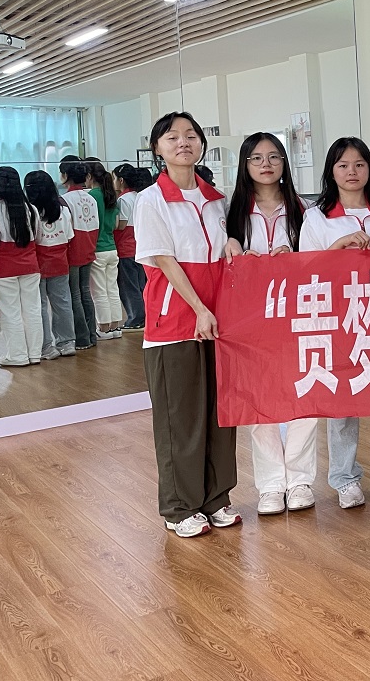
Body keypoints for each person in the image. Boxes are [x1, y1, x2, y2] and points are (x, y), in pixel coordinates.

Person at [133, 112, 239, 538]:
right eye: (172, 137)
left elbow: (223, 252)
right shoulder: (151, 200)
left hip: (219, 322)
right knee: (180, 418)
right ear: (157, 148)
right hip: (175, 323)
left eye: (191, 135)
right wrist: (198, 309)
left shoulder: (216, 199)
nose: (183, 142)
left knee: (219, 414)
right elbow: (164, 259)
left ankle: (215, 498)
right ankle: (179, 507)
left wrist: (234, 244)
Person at [299, 136, 370, 511]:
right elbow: (305, 271)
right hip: (338, 318)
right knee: (342, 398)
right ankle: (345, 478)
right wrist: (338, 246)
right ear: (331, 172)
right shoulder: (316, 217)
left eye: (359, 164)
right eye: (343, 165)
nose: (352, 172)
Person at [224, 132, 317, 516]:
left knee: (305, 395)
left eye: (274, 157)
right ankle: (271, 485)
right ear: (245, 165)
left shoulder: (304, 209)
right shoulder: (229, 212)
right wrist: (232, 249)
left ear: (284, 163)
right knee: (258, 401)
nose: (266, 164)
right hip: (250, 320)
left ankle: (300, 481)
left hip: (297, 316)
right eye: (257, 158)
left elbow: (317, 260)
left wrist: (293, 256)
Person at [0, 167, 44, 367]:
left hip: (3, 269)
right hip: (31, 267)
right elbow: (38, 237)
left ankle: (17, 356)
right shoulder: (31, 208)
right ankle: (35, 354)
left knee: (10, 313)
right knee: (32, 310)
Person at [23, 171, 77, 359]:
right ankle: (67, 342)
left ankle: (46, 347)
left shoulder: (30, 212)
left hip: (37, 262)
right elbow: (69, 237)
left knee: (40, 306)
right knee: (63, 303)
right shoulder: (63, 210)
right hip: (60, 261)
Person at [60, 158, 99, 350]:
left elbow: (66, 229)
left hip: (73, 251)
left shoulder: (65, 200)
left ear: (66, 176)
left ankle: (82, 338)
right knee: (85, 293)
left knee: (74, 294)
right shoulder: (91, 198)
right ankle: (91, 335)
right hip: (89, 248)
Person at [86, 159, 123, 339]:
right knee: (112, 288)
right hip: (111, 248)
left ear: (90, 176)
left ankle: (104, 328)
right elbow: (115, 224)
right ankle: (116, 327)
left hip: (98, 249)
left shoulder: (92, 195)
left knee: (99, 291)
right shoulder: (111, 195)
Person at [113, 164, 148, 331]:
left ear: (121, 180)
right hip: (140, 246)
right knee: (141, 285)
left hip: (126, 247)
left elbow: (121, 225)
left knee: (129, 286)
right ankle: (145, 316)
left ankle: (135, 318)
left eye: (114, 178)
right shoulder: (140, 196)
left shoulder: (123, 200)